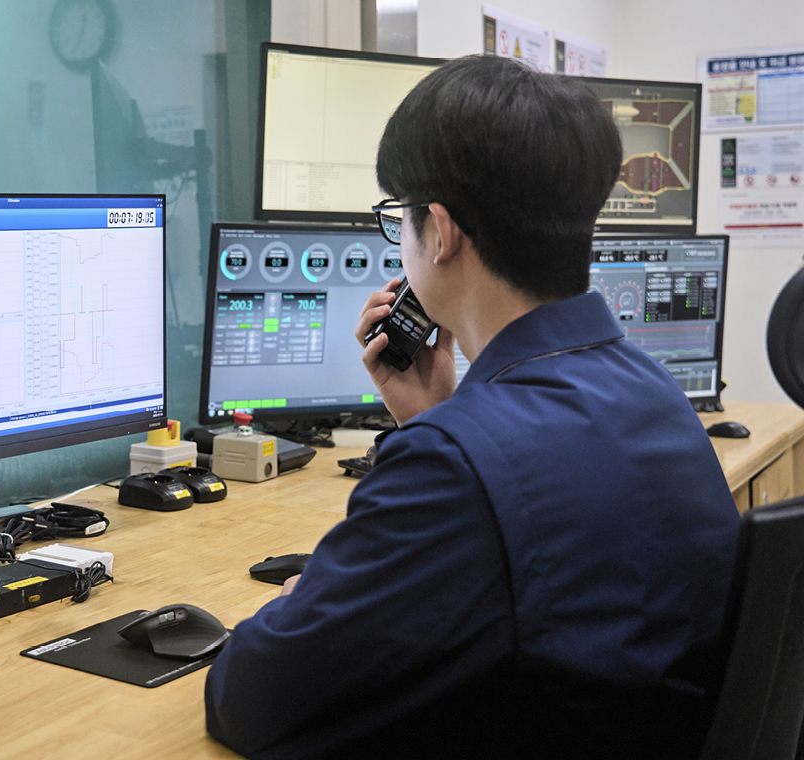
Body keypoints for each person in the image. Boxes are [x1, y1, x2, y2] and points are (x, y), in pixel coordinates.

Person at [204, 55, 740, 759]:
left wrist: (301, 608)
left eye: (399, 215)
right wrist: (435, 416)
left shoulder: (454, 466)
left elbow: (254, 699)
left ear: (443, 231)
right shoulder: (649, 389)